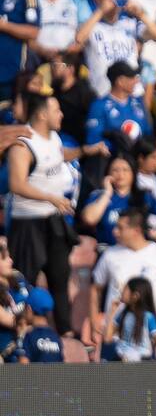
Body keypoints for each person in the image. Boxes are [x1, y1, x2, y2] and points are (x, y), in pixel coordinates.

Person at [7, 91, 76, 338]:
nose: (61, 114)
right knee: (27, 278)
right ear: (42, 113)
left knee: (60, 277)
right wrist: (51, 198)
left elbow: (60, 157)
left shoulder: (55, 138)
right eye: (56, 110)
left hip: (54, 221)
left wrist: (86, 150)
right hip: (29, 224)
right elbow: (16, 184)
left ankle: (66, 333)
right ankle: (23, 332)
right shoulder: (23, 142)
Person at [89, 207, 156, 351]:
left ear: (136, 230)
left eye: (120, 228)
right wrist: (94, 325)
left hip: (149, 340)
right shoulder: (110, 255)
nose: (115, 232)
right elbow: (95, 289)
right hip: (115, 338)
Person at [101, 274, 156, 361]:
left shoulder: (148, 317)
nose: (122, 291)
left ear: (135, 296)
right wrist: (112, 311)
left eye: (125, 289)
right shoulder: (123, 314)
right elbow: (107, 338)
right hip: (121, 358)